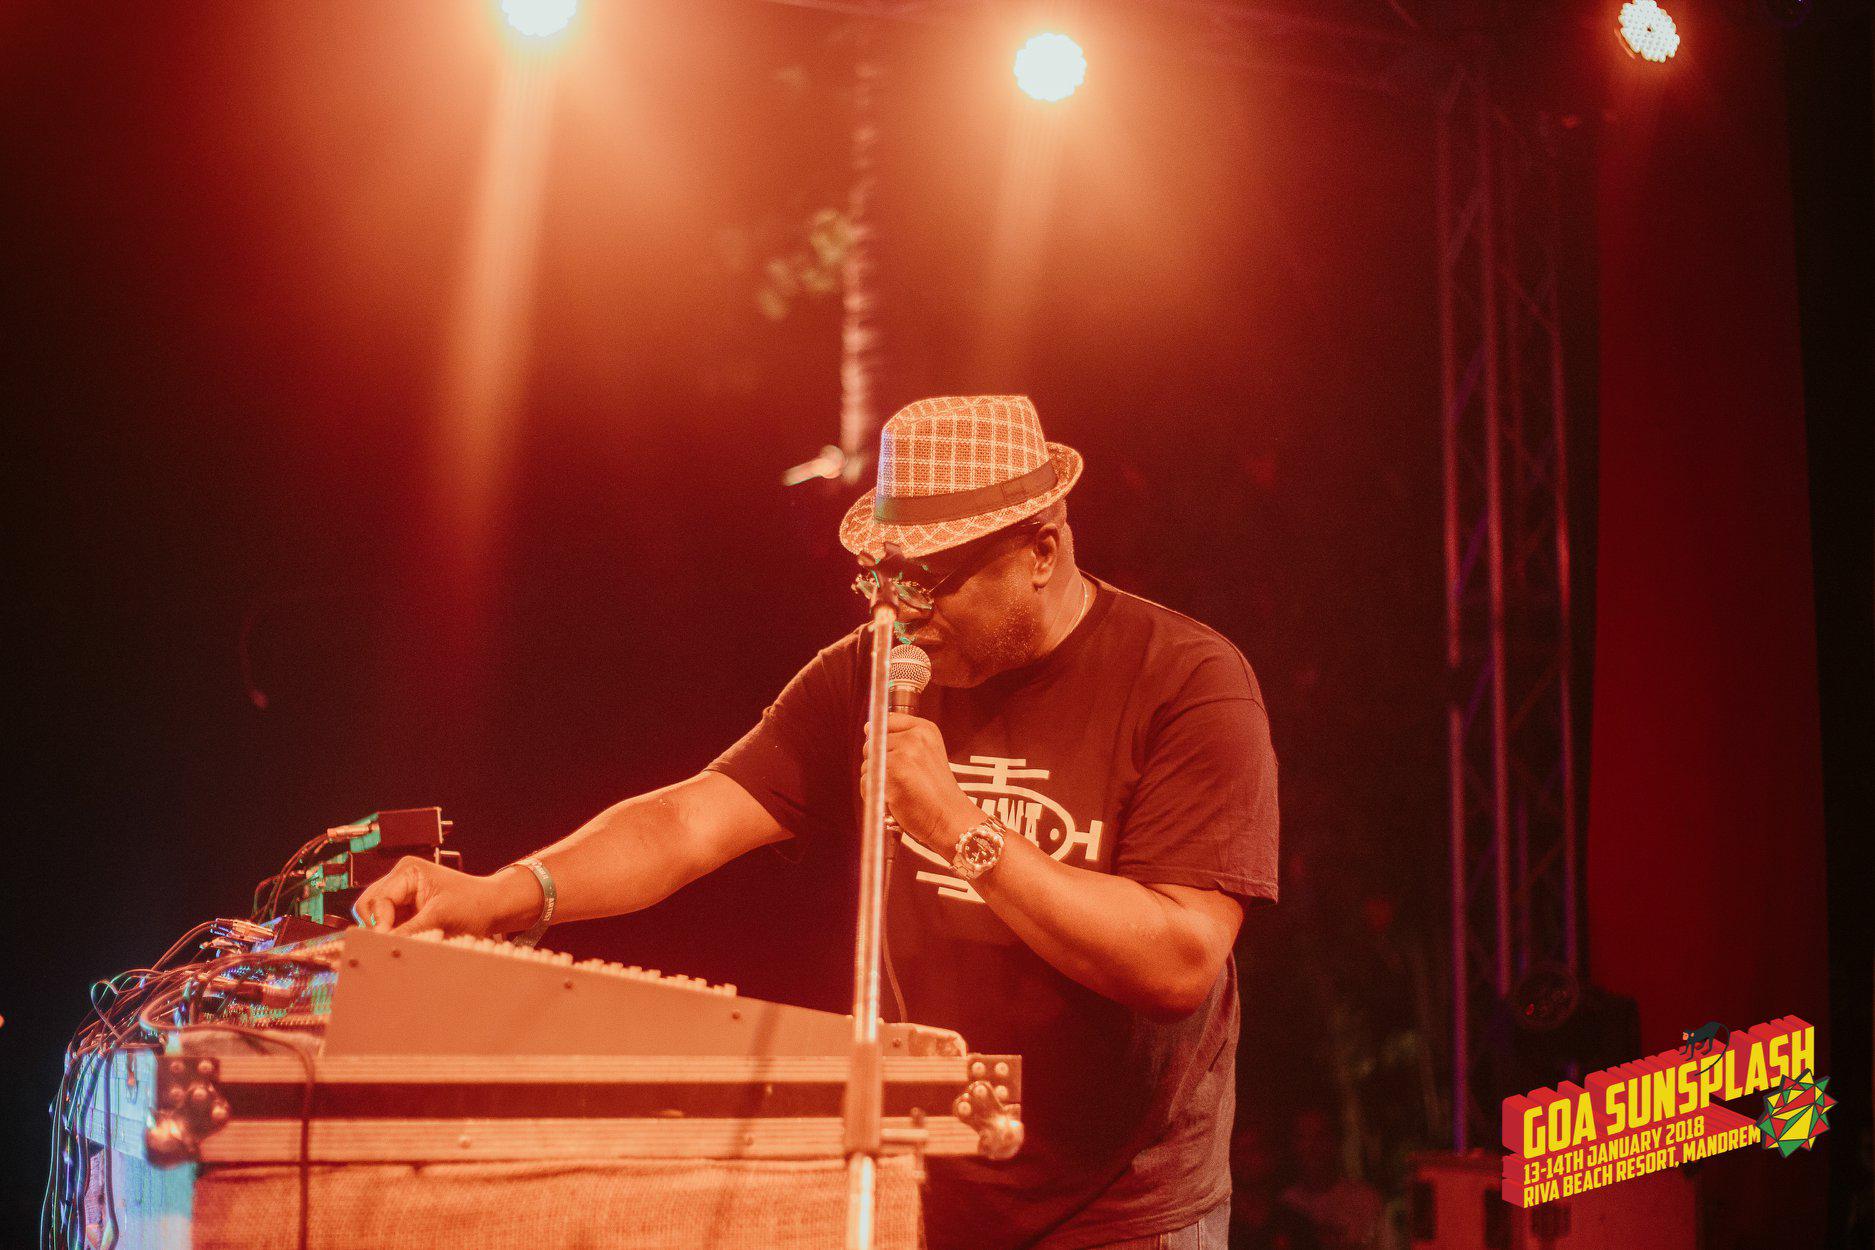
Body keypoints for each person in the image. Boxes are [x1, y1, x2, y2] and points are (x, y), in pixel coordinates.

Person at [356, 395, 1281, 1249]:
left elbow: (1178, 962)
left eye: (927, 580)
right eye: (880, 578)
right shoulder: (870, 670)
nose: (898, 614)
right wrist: (502, 895)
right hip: (926, 1182)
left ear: (1039, 552)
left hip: (1124, 1211)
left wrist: (959, 829)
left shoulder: (1186, 681)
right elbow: (689, 820)